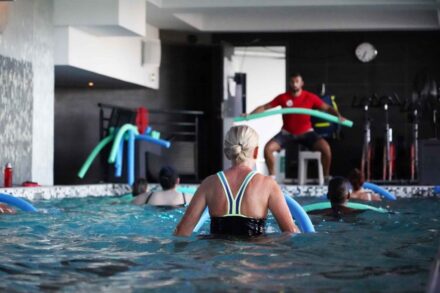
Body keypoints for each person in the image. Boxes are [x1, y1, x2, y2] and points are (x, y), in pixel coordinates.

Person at [174, 125, 299, 237]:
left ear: (227, 151)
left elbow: (182, 231)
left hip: (216, 259)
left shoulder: (209, 184)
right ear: (256, 151)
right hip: (254, 258)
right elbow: (291, 231)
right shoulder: (268, 185)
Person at [247, 73, 346, 181]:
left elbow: (327, 108)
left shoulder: (310, 97)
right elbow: (265, 107)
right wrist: (250, 115)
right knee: (268, 149)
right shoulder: (283, 97)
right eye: (292, 82)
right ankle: (272, 179)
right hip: (287, 133)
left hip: (307, 133)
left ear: (301, 83)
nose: (294, 84)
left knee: (326, 148)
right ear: (289, 83)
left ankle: (326, 178)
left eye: (297, 82)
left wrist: (338, 116)